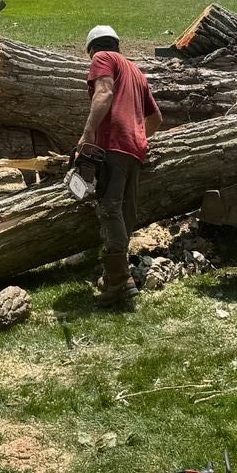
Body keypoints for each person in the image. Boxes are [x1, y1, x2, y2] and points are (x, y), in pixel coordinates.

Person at [77, 24, 161, 303]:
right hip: (135, 150)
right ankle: (116, 273)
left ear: (92, 49)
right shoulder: (136, 71)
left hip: (112, 145)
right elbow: (156, 119)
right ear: (117, 43)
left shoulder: (102, 59)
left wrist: (88, 134)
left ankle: (119, 282)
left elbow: (104, 93)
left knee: (110, 208)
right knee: (124, 213)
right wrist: (136, 137)